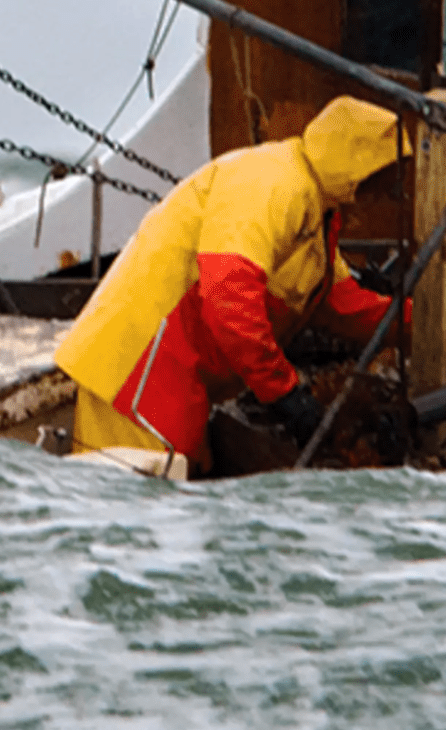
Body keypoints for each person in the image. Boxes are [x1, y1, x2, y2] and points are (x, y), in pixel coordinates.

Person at [54, 95, 408, 475]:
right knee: (135, 509)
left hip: (178, 380)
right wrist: (284, 392)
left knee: (168, 499)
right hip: (138, 370)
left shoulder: (315, 211)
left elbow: (340, 302)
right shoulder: (272, 182)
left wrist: (425, 321)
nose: (388, 190)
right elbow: (229, 294)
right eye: (386, 173)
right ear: (357, 158)